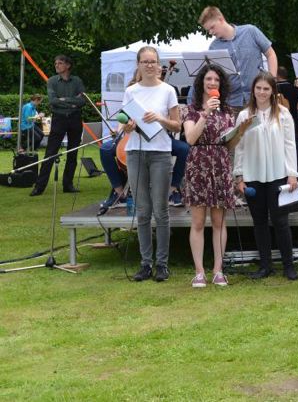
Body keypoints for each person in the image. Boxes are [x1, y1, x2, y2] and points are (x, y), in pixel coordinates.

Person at [182, 64, 248, 287]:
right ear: (201, 82)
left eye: (216, 80)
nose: (212, 83)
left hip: (220, 164)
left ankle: (218, 270)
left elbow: (229, 145)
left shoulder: (228, 111)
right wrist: (206, 113)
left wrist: (241, 132)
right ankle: (199, 272)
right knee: (199, 221)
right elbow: (190, 138)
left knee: (219, 221)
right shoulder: (191, 110)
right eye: (209, 79)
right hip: (198, 165)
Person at [121, 47, 181, 282]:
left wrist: (159, 118)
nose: (149, 65)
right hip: (135, 151)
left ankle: (162, 264)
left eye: (153, 61)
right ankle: (145, 263)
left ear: (159, 65)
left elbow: (177, 125)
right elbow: (124, 122)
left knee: (161, 210)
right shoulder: (130, 91)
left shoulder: (168, 90)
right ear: (138, 64)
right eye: (145, 61)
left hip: (160, 153)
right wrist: (125, 127)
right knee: (143, 211)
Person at [234, 73, 298, 281]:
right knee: (259, 222)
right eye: (258, 88)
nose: (262, 92)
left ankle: (288, 265)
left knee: (281, 221)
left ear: (272, 91)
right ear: (253, 90)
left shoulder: (282, 113)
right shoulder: (244, 115)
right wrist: (239, 176)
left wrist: (292, 174)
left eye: (266, 89)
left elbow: (290, 144)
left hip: (278, 174)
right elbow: (240, 147)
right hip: (253, 175)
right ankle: (265, 265)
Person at [98, 70, 188, 214]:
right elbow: (124, 116)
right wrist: (120, 129)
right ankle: (118, 191)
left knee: (184, 149)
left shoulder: (164, 92)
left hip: (160, 137)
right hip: (133, 137)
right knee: (106, 149)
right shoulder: (132, 92)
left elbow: (175, 122)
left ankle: (174, 188)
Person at [198, 6, 277, 107]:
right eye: (208, 30)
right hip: (232, 102)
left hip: (259, 98)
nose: (211, 32)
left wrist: (272, 80)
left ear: (221, 20)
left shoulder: (250, 31)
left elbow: (270, 54)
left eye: (212, 27)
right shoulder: (213, 47)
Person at [31, 55, 86, 196]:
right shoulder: (52, 81)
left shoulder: (77, 81)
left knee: (72, 152)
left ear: (68, 65)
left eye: (60, 63)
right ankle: (39, 187)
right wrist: (72, 101)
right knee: (50, 152)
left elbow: (83, 101)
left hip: (75, 119)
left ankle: (68, 185)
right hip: (59, 119)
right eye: (55, 63)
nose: (57, 65)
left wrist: (65, 100)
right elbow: (53, 101)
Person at [276, 66, 298, 173]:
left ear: (277, 75)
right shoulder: (295, 89)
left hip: (278, 124)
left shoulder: (275, 89)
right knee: (294, 149)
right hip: (293, 123)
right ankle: (295, 170)